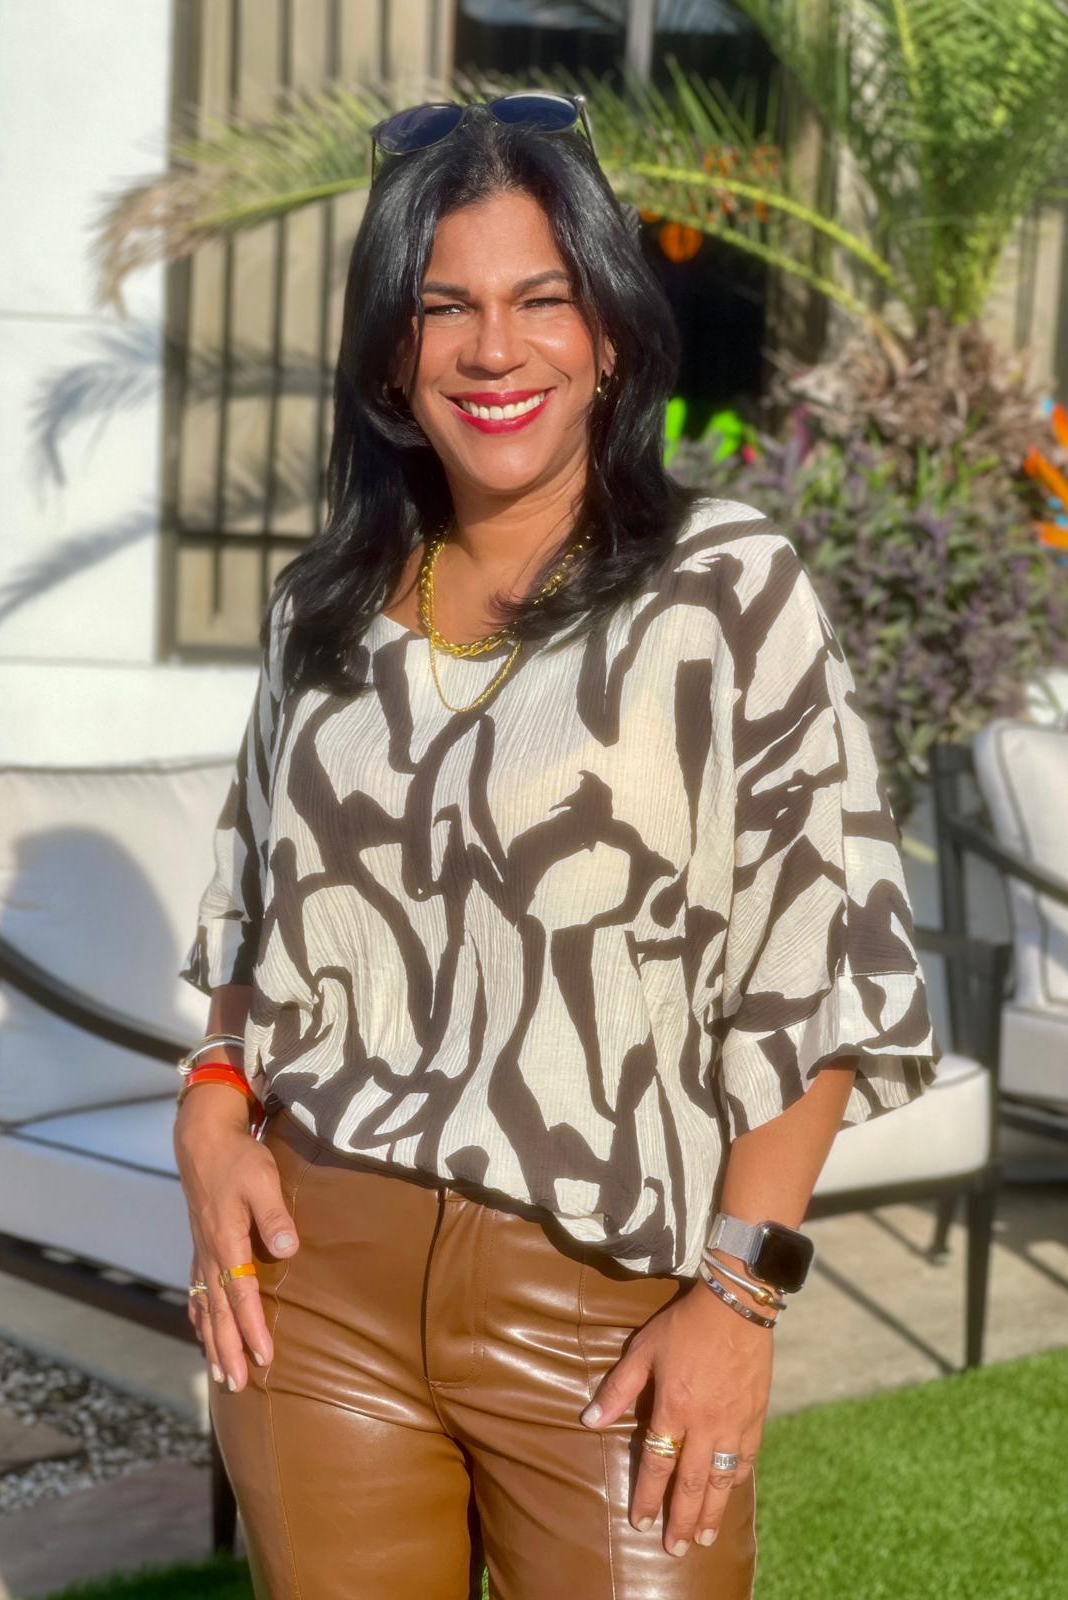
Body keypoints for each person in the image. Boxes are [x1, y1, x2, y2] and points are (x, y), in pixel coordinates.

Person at [173, 92, 941, 1600]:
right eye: (442, 306)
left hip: (605, 1307)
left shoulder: (724, 590)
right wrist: (208, 1114)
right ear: (390, 352)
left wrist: (741, 1298)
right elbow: (253, 914)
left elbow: (824, 957)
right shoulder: (320, 606)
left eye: (541, 299)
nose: (493, 349)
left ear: (609, 336)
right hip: (316, 1286)